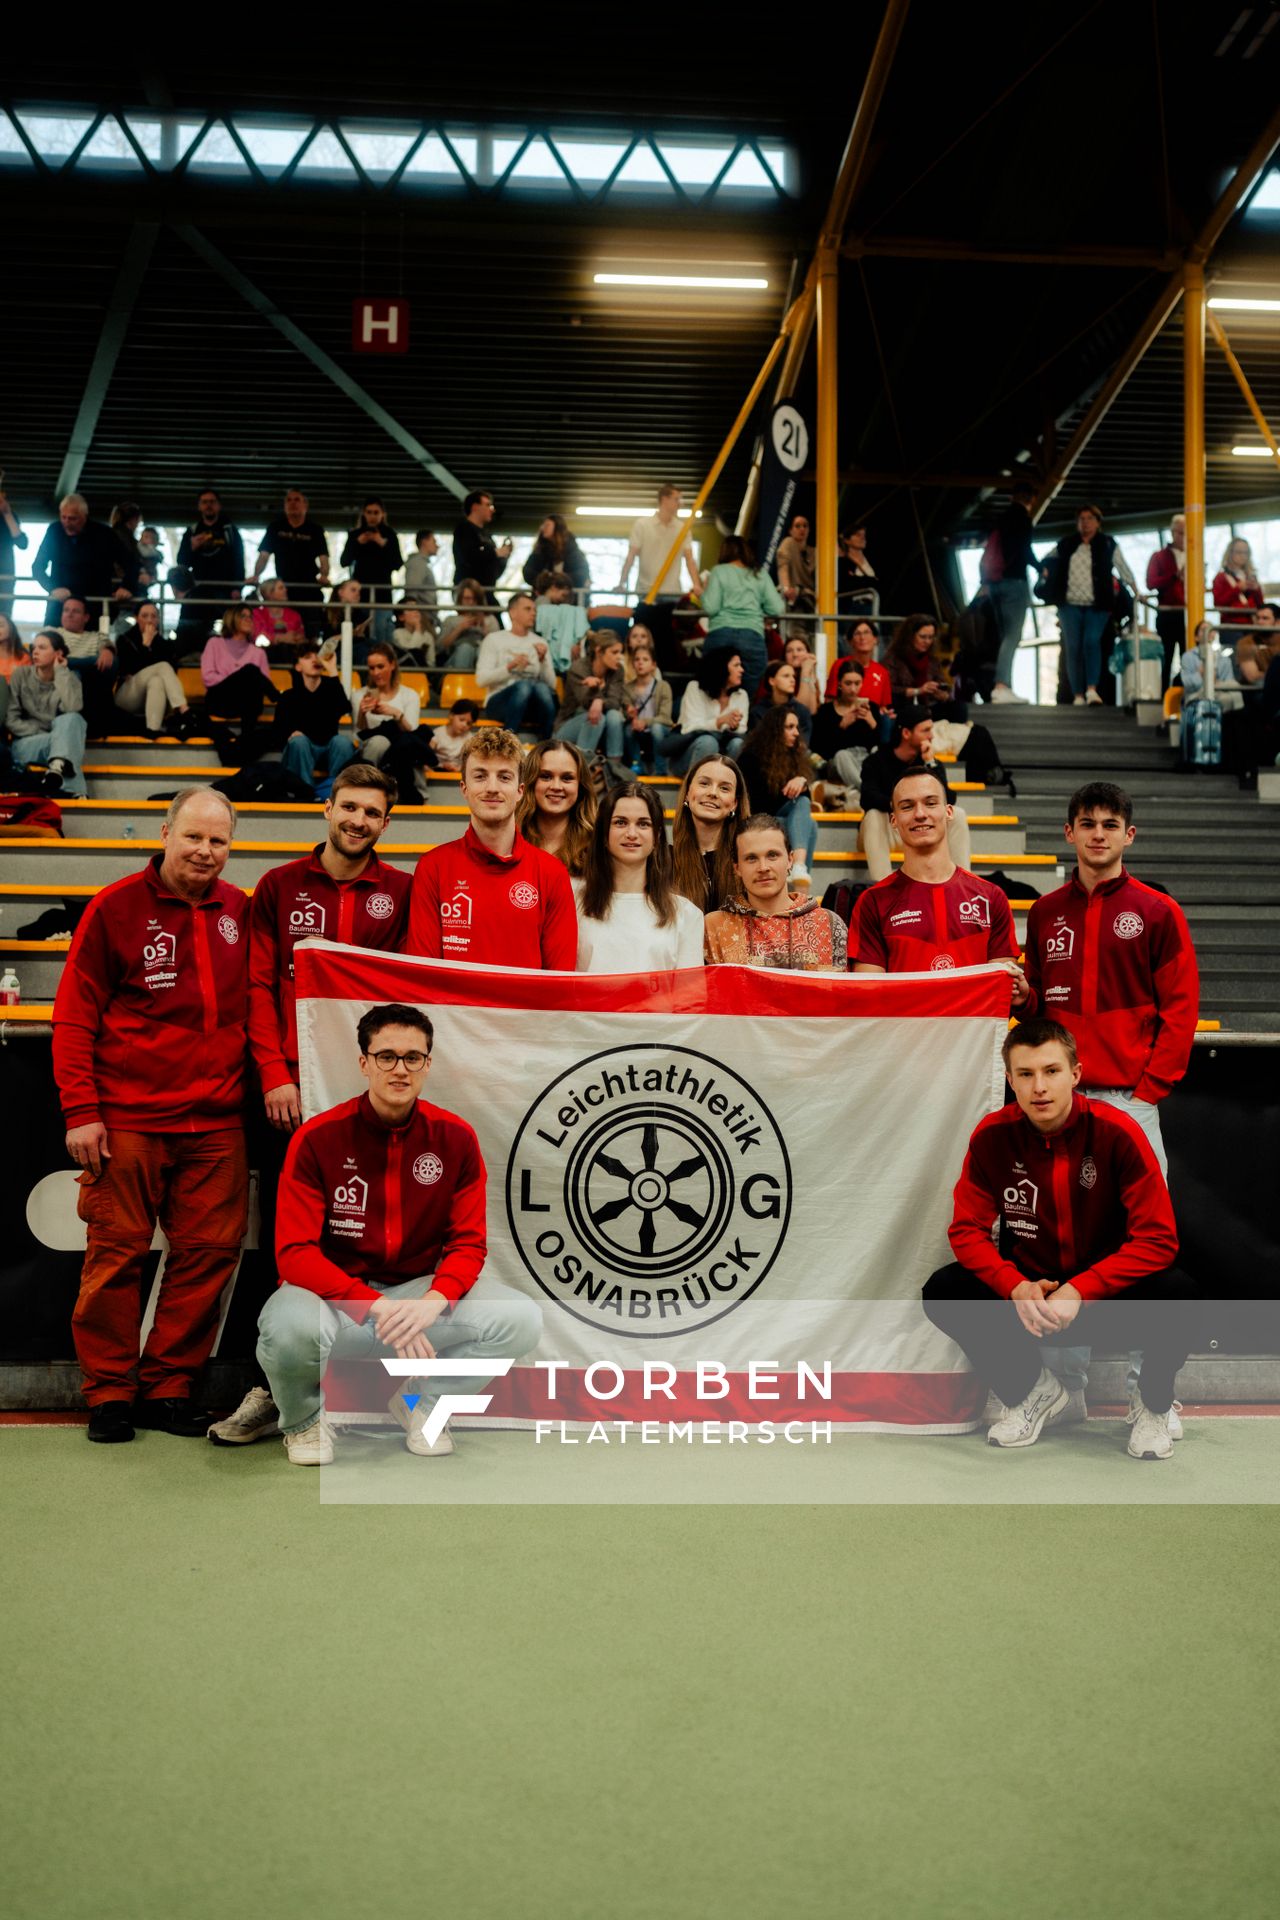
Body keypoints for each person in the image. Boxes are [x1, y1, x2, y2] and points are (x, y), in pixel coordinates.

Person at [257, 1001, 542, 1465]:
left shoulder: (456, 1138)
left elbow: (468, 1245)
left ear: (428, 1064)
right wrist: (374, 1305)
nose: (400, 1069)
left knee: (520, 1319)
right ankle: (305, 1422)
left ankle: (423, 1407)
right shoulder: (317, 1138)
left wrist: (433, 1302)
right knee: (288, 1327)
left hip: (414, 1303)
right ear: (364, 1063)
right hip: (335, 1302)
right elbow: (294, 1253)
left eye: (413, 1057)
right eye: (386, 1056)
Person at [52, 788, 249, 1443]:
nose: (204, 851)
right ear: (165, 832)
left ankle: (168, 1387)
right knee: (115, 1257)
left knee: (208, 1255)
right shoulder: (115, 908)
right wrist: (82, 1111)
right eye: (193, 837)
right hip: (130, 1121)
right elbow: (75, 1015)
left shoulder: (240, 912)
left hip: (217, 1123)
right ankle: (109, 1393)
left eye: (218, 841)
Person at [922, 1018, 1200, 1460]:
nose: (1040, 1088)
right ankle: (1033, 1392)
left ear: (1075, 1073)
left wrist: (1082, 1289)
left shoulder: (1119, 1133)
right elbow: (966, 1230)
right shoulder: (993, 1135)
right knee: (944, 1291)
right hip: (1036, 1300)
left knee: (1180, 1293)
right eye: (1026, 1074)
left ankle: (1152, 1403)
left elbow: (1158, 1239)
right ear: (1009, 1080)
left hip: (1105, 1299)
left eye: (1051, 1071)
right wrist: (1013, 1285)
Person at [1022, 783, 1198, 1179]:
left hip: (1129, 1098)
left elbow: (1181, 1010)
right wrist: (1022, 999)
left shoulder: (1158, 912)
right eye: (1087, 824)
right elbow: (1037, 1004)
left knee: (1141, 1227)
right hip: (1058, 1095)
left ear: (1128, 835)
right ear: (1070, 832)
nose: (1098, 834)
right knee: (1059, 1222)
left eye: (1110, 825)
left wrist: (1146, 1093)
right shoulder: (1044, 912)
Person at [406, 726, 577, 965]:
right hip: (452, 1004)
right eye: (480, 776)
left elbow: (560, 978)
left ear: (520, 791)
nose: (492, 788)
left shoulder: (552, 874)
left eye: (504, 777)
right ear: (464, 788)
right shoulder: (432, 868)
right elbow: (422, 973)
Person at [853, 766, 1025, 986]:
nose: (920, 814)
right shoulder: (873, 902)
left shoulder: (991, 898)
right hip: (905, 1021)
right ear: (893, 820)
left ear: (949, 812)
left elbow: (999, 993)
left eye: (931, 803)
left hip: (971, 1021)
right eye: (907, 806)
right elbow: (869, 994)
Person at [575, 782, 704, 973]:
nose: (631, 834)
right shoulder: (572, 901)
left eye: (643, 824)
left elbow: (689, 997)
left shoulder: (687, 915)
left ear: (657, 836)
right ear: (604, 834)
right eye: (620, 822)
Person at [705, 812, 847, 970]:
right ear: (737, 868)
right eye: (751, 858)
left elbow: (844, 991)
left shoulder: (829, 923)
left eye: (772, 855)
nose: (763, 867)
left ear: (790, 860)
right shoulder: (713, 927)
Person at [857, 708, 974, 879]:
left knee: (957, 814)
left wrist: (929, 763)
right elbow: (867, 797)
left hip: (919, 828)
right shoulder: (877, 760)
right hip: (888, 831)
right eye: (925, 730)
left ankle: (963, 883)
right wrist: (903, 806)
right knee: (874, 815)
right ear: (906, 733)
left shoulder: (931, 763)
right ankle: (881, 886)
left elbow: (949, 799)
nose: (931, 736)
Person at [1038, 505, 1136, 705]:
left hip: (1098, 605)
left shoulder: (1108, 544)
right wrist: (1046, 571)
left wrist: (1136, 590)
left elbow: (1122, 567)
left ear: (1098, 522)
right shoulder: (1066, 544)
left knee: (1091, 642)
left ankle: (1092, 689)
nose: (1085, 522)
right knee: (1073, 647)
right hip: (1068, 604)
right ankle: (1077, 695)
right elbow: (1046, 560)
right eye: (1081, 518)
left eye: (1090, 518)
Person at [616, 485, 701, 669]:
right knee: (642, 641)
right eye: (676, 499)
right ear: (664, 499)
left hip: (671, 594)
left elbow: (689, 559)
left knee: (666, 644)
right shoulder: (643, 525)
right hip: (646, 593)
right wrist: (622, 583)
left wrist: (697, 585)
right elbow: (631, 555)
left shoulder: (682, 528)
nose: (680, 503)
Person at [737, 706, 818, 886]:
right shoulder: (750, 758)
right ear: (774, 729)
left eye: (797, 727)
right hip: (755, 821)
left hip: (783, 819)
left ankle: (798, 869)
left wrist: (801, 783)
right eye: (789, 727)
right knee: (808, 823)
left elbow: (802, 799)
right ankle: (799, 888)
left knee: (807, 814)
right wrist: (795, 788)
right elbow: (757, 803)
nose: (796, 733)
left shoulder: (793, 757)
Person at [32, 493, 138, 627]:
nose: (67, 523)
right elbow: (37, 567)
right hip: (60, 607)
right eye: (63, 517)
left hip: (93, 607)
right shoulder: (55, 530)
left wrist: (127, 587)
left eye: (72, 519)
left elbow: (131, 563)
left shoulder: (104, 534)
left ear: (84, 516)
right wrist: (53, 588)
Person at [699, 534, 785, 695]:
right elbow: (778, 608)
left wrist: (702, 593)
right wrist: (758, 609)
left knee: (714, 690)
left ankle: (719, 718)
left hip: (720, 635)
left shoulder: (719, 571)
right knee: (746, 695)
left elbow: (711, 607)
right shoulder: (759, 574)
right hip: (752, 637)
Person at [7, 629, 89, 794]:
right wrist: (47, 734)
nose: (35, 652)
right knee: (68, 747)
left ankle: (56, 768)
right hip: (26, 744)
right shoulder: (21, 674)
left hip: (57, 743)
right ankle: (76, 793)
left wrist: (61, 672)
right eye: (34, 648)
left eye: (42, 647)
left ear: (58, 653)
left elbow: (73, 708)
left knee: (74, 719)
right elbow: (11, 719)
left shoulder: (70, 678)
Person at [274, 641, 358, 795]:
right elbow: (278, 732)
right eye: (307, 657)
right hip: (302, 751)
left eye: (316, 656)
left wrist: (332, 669)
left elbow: (345, 708)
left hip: (329, 749)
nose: (314, 660)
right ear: (298, 666)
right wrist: (290, 734)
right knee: (298, 742)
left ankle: (336, 792)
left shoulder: (330, 687)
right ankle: (305, 792)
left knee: (342, 742)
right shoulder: (289, 696)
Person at [670, 753, 749, 914]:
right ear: (687, 793)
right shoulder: (663, 860)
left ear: (734, 803)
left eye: (724, 788)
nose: (713, 793)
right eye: (704, 783)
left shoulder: (747, 862)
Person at [978, 481, 1035, 703]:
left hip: (994, 584)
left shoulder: (1000, 518)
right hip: (1014, 582)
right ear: (1030, 499)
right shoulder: (1022, 519)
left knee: (1004, 636)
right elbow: (1024, 549)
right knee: (1013, 635)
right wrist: (1043, 569)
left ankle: (1003, 686)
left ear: (1012, 497)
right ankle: (1001, 686)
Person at [351, 641, 431, 797]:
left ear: (392, 665)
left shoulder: (410, 695)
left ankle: (414, 794)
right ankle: (367, 789)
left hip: (401, 746)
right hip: (373, 748)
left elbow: (413, 732)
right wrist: (361, 713)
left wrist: (396, 713)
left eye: (381, 667)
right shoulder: (359, 695)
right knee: (380, 742)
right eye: (372, 668)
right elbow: (358, 734)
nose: (376, 673)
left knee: (407, 747)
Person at [475, 590, 558, 735]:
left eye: (534, 610)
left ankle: (544, 746)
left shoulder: (540, 642)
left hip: (531, 706)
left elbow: (552, 685)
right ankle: (509, 742)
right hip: (499, 703)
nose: (533, 613)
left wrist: (542, 660)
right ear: (513, 613)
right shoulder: (494, 639)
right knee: (523, 686)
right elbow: (481, 680)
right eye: (528, 609)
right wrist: (510, 666)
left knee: (542, 689)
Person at [201, 605, 275, 761]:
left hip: (243, 704)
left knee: (252, 683)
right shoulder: (214, 643)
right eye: (243, 616)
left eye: (250, 617)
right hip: (219, 699)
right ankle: (278, 697)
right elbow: (208, 677)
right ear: (232, 618)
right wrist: (237, 678)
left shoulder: (258, 652)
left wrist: (242, 680)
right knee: (250, 670)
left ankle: (246, 739)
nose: (249, 620)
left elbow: (262, 683)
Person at [253, 490, 331, 635]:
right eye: (289, 500)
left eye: (297, 500)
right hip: (284, 589)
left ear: (305, 505)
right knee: (283, 629)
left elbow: (324, 559)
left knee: (311, 629)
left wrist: (324, 575)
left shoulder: (315, 529)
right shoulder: (275, 527)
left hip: (309, 588)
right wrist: (256, 575)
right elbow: (263, 556)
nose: (293, 503)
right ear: (284, 505)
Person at [662, 648, 749, 776]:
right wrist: (720, 722)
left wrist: (733, 725)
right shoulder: (695, 688)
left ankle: (729, 787)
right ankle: (695, 791)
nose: (742, 670)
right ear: (721, 668)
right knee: (708, 741)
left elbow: (742, 729)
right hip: (688, 757)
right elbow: (689, 727)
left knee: (738, 744)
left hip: (724, 755)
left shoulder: (741, 695)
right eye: (736, 665)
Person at [516, 739, 597, 875]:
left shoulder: (598, 847)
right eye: (546, 776)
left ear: (580, 786)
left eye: (567, 778)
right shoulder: (509, 841)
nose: (556, 787)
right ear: (530, 782)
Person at [175, 488, 245, 643]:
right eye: (204, 502)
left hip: (225, 590)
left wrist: (237, 588)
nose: (208, 505)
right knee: (190, 627)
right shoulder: (192, 531)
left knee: (230, 631)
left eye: (212, 502)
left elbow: (239, 560)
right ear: (199, 506)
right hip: (199, 589)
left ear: (219, 505)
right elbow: (181, 563)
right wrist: (192, 547)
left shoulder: (230, 530)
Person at [114, 601, 193, 739]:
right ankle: (184, 710)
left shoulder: (165, 645)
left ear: (158, 619)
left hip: (157, 697)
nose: (149, 620)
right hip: (128, 696)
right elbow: (127, 669)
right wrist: (145, 645)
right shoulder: (124, 640)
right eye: (144, 616)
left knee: (157, 680)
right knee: (162, 666)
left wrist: (151, 646)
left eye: (153, 616)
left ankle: (152, 730)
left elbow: (172, 673)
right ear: (136, 618)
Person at [554, 630, 628, 773]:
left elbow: (615, 702)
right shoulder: (578, 668)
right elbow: (585, 703)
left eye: (620, 652)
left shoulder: (618, 670)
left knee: (614, 715)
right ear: (599, 651)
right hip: (568, 727)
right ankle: (582, 768)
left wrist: (599, 700)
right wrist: (595, 692)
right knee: (597, 717)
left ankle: (615, 767)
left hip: (600, 727)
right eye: (614, 652)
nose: (619, 657)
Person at [810, 660, 879, 802]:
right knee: (843, 755)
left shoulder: (871, 708)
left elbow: (883, 745)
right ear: (839, 684)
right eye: (848, 683)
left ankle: (858, 793)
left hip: (862, 759)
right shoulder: (825, 712)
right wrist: (841, 725)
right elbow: (820, 750)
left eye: (857, 683)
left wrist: (873, 724)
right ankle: (868, 792)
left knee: (876, 753)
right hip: (837, 762)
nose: (853, 689)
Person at [340, 498, 403, 646]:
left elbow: (397, 564)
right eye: (369, 512)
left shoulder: (389, 534)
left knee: (382, 630)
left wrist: (382, 543)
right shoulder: (355, 534)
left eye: (376, 512)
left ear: (382, 514)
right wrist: (357, 543)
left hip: (383, 593)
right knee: (363, 630)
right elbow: (344, 561)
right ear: (364, 514)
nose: (372, 516)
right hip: (360, 594)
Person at [53, 592, 117, 736]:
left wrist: (107, 650)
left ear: (86, 617)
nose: (69, 614)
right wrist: (88, 662)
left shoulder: (96, 637)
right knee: (73, 674)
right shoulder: (52, 633)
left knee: (108, 664)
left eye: (75, 611)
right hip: (60, 687)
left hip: (90, 690)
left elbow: (109, 657)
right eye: (66, 610)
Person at [1146, 513, 1187, 693]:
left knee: (1190, 659)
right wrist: (1174, 576)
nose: (1183, 537)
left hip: (1189, 614)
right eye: (1179, 532)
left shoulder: (1195, 556)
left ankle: (1184, 696)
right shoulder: (1159, 556)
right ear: (1172, 533)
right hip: (1167, 614)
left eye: (1187, 533)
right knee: (1167, 658)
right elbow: (1151, 582)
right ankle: (1163, 697)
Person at [619, 639, 672, 767]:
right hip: (637, 728)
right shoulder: (627, 687)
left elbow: (665, 718)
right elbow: (624, 712)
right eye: (637, 660)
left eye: (645, 659)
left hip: (658, 728)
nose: (640, 663)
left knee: (657, 728)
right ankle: (636, 766)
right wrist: (629, 714)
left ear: (653, 665)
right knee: (628, 729)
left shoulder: (663, 686)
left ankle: (661, 769)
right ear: (632, 664)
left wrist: (645, 722)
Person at [823, 617, 894, 708]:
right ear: (850, 641)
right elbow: (829, 701)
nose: (862, 637)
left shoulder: (882, 672)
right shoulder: (839, 665)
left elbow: (884, 706)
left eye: (866, 632)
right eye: (857, 633)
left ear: (875, 640)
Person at [452, 489, 512, 592]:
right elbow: (469, 556)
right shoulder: (463, 529)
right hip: (469, 590)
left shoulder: (487, 535)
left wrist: (503, 557)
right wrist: (495, 552)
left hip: (486, 590)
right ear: (475, 507)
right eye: (488, 505)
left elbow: (494, 570)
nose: (492, 510)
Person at [533, 569, 590, 672]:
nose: (563, 599)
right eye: (563, 595)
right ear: (553, 588)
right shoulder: (542, 601)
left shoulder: (553, 605)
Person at [438, 578, 498, 674]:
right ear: (460, 599)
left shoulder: (490, 619)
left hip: (481, 654)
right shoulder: (450, 620)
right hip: (456, 658)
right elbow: (440, 648)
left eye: (474, 599)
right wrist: (459, 629)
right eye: (467, 598)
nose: (470, 602)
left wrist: (484, 629)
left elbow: (498, 647)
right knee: (466, 648)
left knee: (482, 649)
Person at [523, 513, 590, 593]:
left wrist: (559, 579)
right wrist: (543, 580)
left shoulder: (573, 552)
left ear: (558, 527)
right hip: (543, 598)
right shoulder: (539, 552)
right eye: (543, 525)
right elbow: (528, 572)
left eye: (547, 525)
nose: (542, 528)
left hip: (568, 599)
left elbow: (581, 574)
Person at [749, 658, 812, 742]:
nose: (792, 680)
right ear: (772, 681)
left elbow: (804, 742)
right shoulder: (758, 712)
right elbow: (758, 743)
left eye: (793, 676)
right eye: (786, 676)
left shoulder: (802, 710)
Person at [775, 511, 815, 636]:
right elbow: (783, 565)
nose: (802, 529)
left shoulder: (815, 552)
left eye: (805, 525)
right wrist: (787, 588)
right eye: (798, 526)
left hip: (813, 601)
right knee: (796, 635)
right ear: (791, 530)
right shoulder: (788, 543)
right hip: (794, 601)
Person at [1212, 536, 1265, 630]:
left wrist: (1256, 589)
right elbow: (1218, 604)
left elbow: (1260, 604)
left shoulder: (1250, 575)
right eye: (1239, 552)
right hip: (1231, 626)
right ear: (1230, 553)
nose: (1243, 556)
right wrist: (1237, 589)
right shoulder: (1221, 577)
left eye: (1246, 552)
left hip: (1252, 624)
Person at [250, 578, 306, 657]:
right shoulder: (256, 614)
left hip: (290, 655)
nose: (285, 590)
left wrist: (296, 638)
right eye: (281, 588)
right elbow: (255, 636)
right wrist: (280, 638)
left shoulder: (294, 615)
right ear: (269, 593)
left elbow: (301, 636)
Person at [838, 523, 878, 629]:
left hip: (873, 606)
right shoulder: (842, 562)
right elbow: (846, 585)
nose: (862, 538)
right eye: (857, 535)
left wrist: (860, 581)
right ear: (847, 540)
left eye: (863, 535)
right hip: (853, 608)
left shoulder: (871, 561)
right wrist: (869, 581)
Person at [0, 484, 29, 621]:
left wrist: (7, 514)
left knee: (4, 618)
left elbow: (22, 544)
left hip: (5, 579)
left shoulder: (11, 517)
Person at [402, 530, 440, 631]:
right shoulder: (417, 563)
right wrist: (415, 618)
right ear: (424, 542)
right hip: (423, 618)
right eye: (434, 541)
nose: (437, 545)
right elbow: (411, 594)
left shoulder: (421, 564)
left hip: (427, 617)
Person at [429, 698, 480, 773]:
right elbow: (428, 754)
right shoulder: (438, 733)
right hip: (437, 768)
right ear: (451, 716)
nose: (464, 725)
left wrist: (460, 768)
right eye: (461, 720)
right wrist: (441, 765)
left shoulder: (468, 737)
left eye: (468, 723)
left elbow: (473, 759)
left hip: (458, 771)